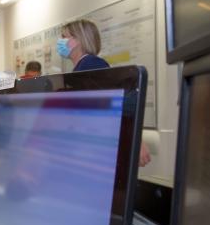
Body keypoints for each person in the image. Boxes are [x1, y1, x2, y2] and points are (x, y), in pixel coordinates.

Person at [58, 19, 151, 167]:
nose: (60, 42)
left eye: (64, 37)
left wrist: (136, 140)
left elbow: (115, 104)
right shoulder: (82, 67)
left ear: (78, 40)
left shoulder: (92, 64)